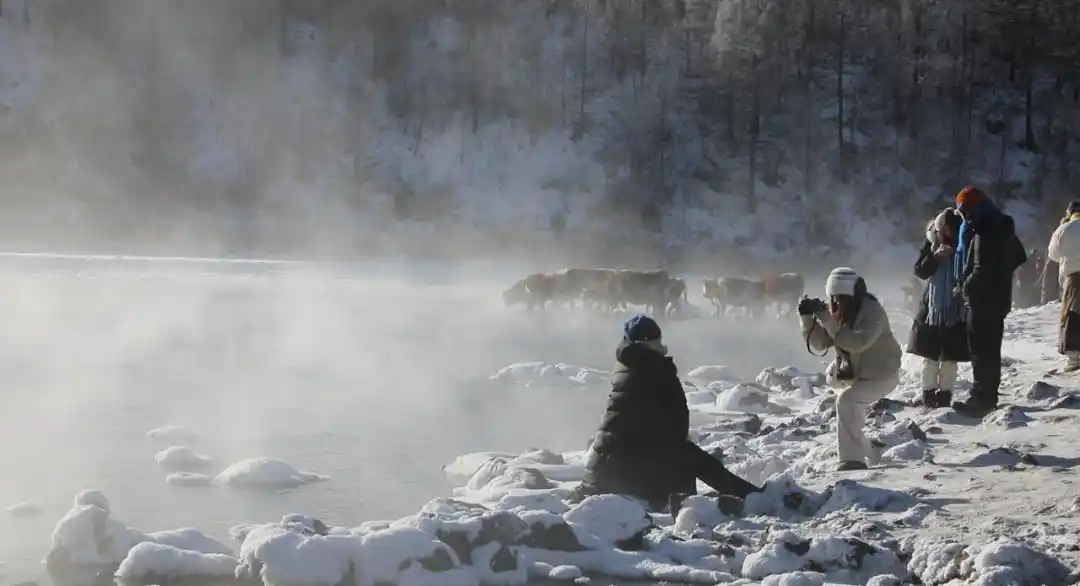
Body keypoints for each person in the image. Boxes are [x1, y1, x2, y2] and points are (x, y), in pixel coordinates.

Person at [571, 314, 760, 511]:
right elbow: (678, 424)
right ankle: (745, 498)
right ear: (652, 342)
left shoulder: (626, 365)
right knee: (690, 457)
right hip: (628, 475)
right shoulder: (655, 369)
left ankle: (739, 495)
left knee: (679, 452)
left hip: (603, 471)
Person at [799, 268, 902, 471]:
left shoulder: (874, 313)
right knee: (847, 407)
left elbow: (857, 343)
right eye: (834, 298)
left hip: (880, 375)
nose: (837, 303)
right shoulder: (840, 313)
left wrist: (828, 320)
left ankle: (851, 460)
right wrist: (807, 319)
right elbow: (821, 343)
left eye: (842, 298)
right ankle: (869, 450)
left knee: (846, 401)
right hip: (855, 372)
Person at [952, 186, 1026, 415]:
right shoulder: (1001, 224)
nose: (962, 217)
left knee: (980, 349)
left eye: (962, 212)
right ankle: (987, 395)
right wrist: (1001, 278)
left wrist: (967, 287)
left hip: (983, 300)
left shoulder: (985, 229)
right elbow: (1018, 256)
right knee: (990, 349)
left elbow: (981, 267)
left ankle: (981, 398)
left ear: (969, 208)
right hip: (998, 298)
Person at [908, 209, 969, 408]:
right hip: (932, 309)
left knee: (951, 357)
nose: (947, 234)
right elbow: (920, 271)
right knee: (930, 355)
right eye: (944, 230)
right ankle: (927, 392)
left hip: (956, 308)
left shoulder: (965, 244)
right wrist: (934, 258)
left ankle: (944, 395)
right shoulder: (931, 242)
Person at [1047, 201, 1080, 373]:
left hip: (1073, 275)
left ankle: (1074, 356)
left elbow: (1053, 254)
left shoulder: (1064, 229)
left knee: (1072, 313)